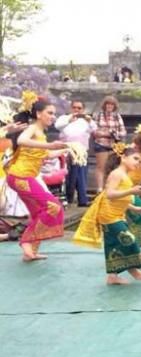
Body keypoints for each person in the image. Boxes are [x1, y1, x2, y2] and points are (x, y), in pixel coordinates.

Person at [73, 143, 141, 285]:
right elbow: (110, 194)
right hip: (109, 216)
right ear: (124, 158)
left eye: (139, 160)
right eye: (135, 158)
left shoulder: (124, 175)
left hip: (116, 214)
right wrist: (131, 191)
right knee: (128, 239)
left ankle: (112, 276)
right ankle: (132, 268)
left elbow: (121, 198)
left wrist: (133, 208)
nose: (138, 163)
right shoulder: (116, 174)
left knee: (112, 245)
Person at [5, 95, 69, 261]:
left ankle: (31, 251)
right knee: (53, 207)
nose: (53, 116)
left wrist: (67, 149)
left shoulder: (41, 133)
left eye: (53, 113)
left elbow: (46, 155)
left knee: (37, 213)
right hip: (20, 177)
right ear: (39, 114)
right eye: (50, 113)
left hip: (24, 177)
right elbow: (21, 140)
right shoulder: (33, 128)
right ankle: (26, 241)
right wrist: (49, 145)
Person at [55, 99, 96, 207]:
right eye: (74, 107)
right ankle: (68, 197)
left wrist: (89, 121)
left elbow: (94, 129)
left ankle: (82, 200)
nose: (76, 110)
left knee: (81, 175)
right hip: (67, 150)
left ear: (83, 109)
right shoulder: (64, 118)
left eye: (79, 108)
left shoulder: (86, 120)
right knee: (68, 175)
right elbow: (57, 126)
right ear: (71, 108)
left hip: (81, 152)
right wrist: (69, 120)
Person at [93, 96, 126, 193]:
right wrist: (106, 134)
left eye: (112, 104)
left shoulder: (117, 116)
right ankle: (99, 188)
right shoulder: (98, 115)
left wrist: (112, 133)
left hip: (114, 145)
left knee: (111, 167)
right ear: (104, 105)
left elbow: (123, 132)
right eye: (108, 104)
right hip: (101, 144)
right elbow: (94, 131)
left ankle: (110, 188)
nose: (109, 106)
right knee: (101, 167)